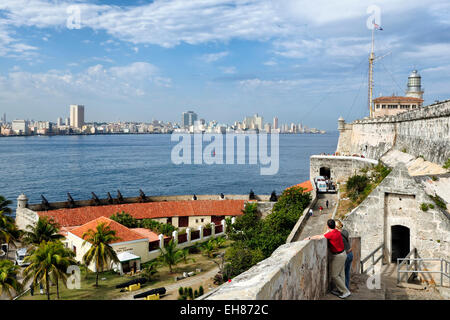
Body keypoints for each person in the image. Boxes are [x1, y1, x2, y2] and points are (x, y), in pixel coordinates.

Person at [304, 219, 351, 299]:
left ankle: (346, 292)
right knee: (341, 274)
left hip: (338, 256)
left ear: (328, 226)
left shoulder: (331, 234)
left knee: (334, 275)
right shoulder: (337, 232)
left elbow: (319, 237)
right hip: (343, 254)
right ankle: (342, 290)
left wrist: (309, 238)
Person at [336, 220, 353, 290]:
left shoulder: (337, 234)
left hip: (345, 255)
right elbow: (348, 241)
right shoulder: (345, 231)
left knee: (341, 274)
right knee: (347, 272)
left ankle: (343, 290)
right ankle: (347, 288)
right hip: (350, 253)